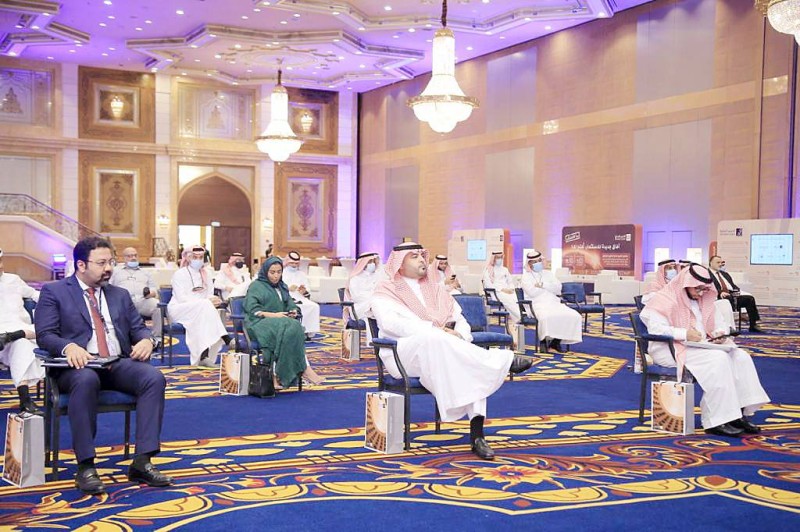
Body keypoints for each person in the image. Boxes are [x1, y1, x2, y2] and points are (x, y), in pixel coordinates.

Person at [34, 236, 172, 495]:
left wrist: (147, 341)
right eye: (101, 263)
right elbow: (45, 335)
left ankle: (142, 461)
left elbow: (139, 329)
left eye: (111, 262)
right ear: (81, 265)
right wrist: (68, 346)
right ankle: (86, 466)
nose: (108, 268)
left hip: (116, 363)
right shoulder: (55, 291)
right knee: (86, 380)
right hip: (77, 367)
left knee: (153, 378)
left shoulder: (119, 295)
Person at [371, 242, 532, 460]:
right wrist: (437, 331)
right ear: (399, 263)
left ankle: (478, 436)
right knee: (436, 339)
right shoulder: (385, 290)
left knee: (470, 365)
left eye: (422, 255)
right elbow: (392, 325)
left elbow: (461, 321)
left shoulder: (436, 289)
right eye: (414, 256)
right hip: (403, 353)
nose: (422, 260)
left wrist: (460, 336)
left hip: (443, 350)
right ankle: (501, 360)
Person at [641, 264, 769, 437]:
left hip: (700, 346)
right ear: (686, 283)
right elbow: (655, 329)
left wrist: (720, 334)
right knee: (718, 359)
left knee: (741, 356)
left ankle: (737, 415)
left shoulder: (705, 299)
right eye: (698, 289)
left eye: (704, 289)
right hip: (669, 348)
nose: (701, 293)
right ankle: (716, 420)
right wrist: (684, 333)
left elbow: (719, 324)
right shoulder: (664, 299)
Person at [244, 256, 324, 388]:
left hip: (281, 322)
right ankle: (303, 369)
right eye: (272, 272)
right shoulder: (256, 286)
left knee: (292, 327)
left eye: (279, 272)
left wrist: (293, 311)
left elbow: (290, 304)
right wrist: (274, 315)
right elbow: (253, 310)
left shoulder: (282, 286)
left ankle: (279, 375)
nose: (276, 276)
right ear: (265, 271)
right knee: (291, 326)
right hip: (259, 323)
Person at [168, 245, 230, 367]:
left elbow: (209, 294)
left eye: (201, 257)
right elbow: (181, 298)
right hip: (179, 309)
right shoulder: (179, 274)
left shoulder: (206, 274)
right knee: (204, 306)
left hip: (201, 309)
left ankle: (204, 356)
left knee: (203, 313)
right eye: (195, 257)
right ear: (188, 258)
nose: (198, 260)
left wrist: (213, 299)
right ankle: (226, 338)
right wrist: (204, 302)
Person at [0, 250, 44, 414]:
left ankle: (25, 400)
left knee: (24, 343)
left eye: (0, 262)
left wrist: (57, 300)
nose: (1, 267)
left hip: (21, 330)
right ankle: (25, 400)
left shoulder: (13, 280)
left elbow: (35, 294)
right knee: (23, 343)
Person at [520, 250, 582, 352]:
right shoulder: (526, 277)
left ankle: (556, 342)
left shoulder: (549, 274)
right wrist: (549, 288)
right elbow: (532, 292)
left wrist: (543, 285)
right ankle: (543, 341)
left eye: (539, 261)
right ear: (529, 264)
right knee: (546, 317)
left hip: (554, 303)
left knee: (574, 316)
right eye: (534, 262)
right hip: (537, 304)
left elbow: (558, 288)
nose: (537, 263)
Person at [709, 255, 763, 333]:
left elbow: (733, 285)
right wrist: (720, 292)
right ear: (711, 263)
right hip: (718, 296)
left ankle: (753, 324)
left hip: (731, 294)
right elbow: (709, 287)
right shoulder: (707, 274)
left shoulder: (725, 274)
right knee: (728, 299)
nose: (720, 264)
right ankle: (729, 326)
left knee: (749, 299)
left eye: (721, 262)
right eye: (718, 262)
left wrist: (737, 290)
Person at [281, 251, 320, 340]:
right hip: (286, 298)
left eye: (296, 263)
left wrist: (304, 291)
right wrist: (287, 289)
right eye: (292, 263)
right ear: (287, 262)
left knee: (314, 306)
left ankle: (307, 332)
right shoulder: (281, 273)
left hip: (300, 298)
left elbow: (307, 293)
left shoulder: (302, 274)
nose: (294, 265)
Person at [110, 247, 158, 318]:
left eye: (135, 255)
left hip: (142, 301)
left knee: (157, 306)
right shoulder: (115, 271)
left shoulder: (146, 272)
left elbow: (153, 288)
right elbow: (108, 287)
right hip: (122, 302)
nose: (133, 258)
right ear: (124, 258)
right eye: (130, 256)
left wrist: (151, 293)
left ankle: (159, 326)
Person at [482, 250, 521, 332]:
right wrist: (502, 289)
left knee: (514, 296)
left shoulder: (505, 270)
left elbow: (510, 281)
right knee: (508, 298)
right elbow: (488, 285)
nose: (499, 259)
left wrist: (511, 288)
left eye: (500, 257)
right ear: (493, 258)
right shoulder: (488, 270)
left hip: (507, 290)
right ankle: (519, 318)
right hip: (496, 292)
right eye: (497, 258)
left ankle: (518, 318)